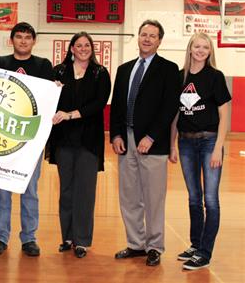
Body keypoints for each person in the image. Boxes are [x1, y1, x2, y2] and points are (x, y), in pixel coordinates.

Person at [110, 20, 182, 266]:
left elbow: (169, 107)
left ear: (160, 40)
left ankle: (154, 246)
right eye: (144, 34)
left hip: (153, 143)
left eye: (153, 35)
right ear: (138, 37)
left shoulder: (169, 69)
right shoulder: (124, 69)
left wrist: (151, 137)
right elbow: (118, 106)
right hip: (126, 140)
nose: (147, 39)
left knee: (153, 198)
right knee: (129, 196)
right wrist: (116, 135)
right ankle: (135, 244)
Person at [0, 22, 53, 257]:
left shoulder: (44, 66)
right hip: (2, 138)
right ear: (11, 39)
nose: (23, 41)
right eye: (19, 37)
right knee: (3, 191)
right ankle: (0, 237)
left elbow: (49, 99)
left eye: (28, 37)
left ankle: (29, 238)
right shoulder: (0, 63)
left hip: (31, 139)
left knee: (30, 191)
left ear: (34, 41)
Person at [169, 33, 231, 270]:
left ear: (210, 51)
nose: (201, 50)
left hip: (209, 142)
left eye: (206, 47)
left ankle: (205, 253)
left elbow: (225, 114)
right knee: (194, 198)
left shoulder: (215, 77)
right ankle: (195, 245)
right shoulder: (180, 77)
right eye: (197, 46)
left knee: (210, 199)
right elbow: (175, 115)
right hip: (186, 144)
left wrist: (218, 148)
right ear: (190, 48)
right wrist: (172, 143)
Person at [49, 32, 111, 258]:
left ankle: (82, 240)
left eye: (87, 45)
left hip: (88, 141)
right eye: (79, 45)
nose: (83, 48)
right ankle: (67, 237)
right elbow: (48, 101)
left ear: (91, 48)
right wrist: (52, 90)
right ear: (72, 48)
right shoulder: (59, 72)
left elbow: (98, 103)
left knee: (84, 191)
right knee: (66, 190)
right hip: (64, 141)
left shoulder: (100, 73)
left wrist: (70, 115)